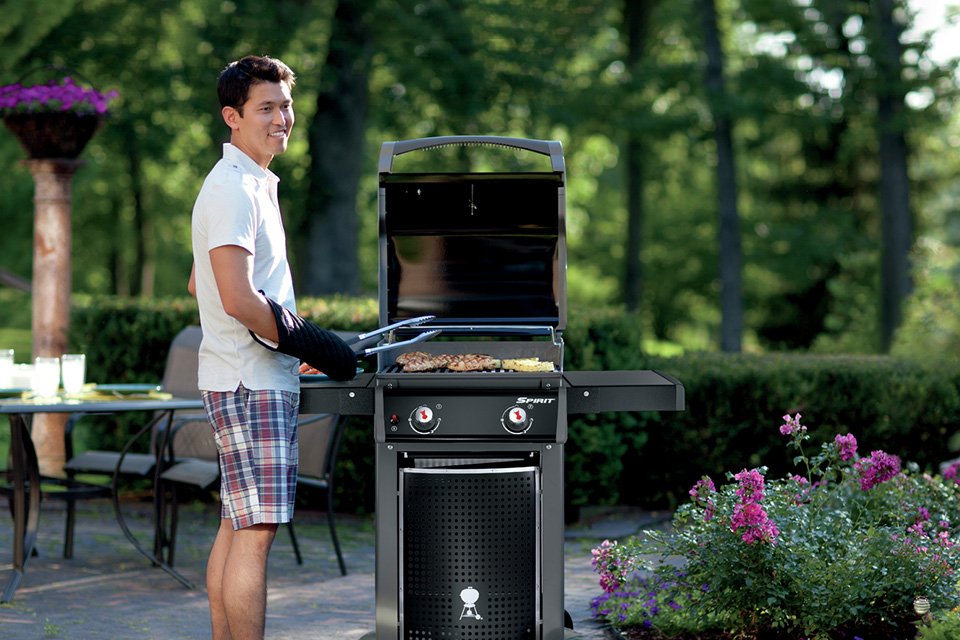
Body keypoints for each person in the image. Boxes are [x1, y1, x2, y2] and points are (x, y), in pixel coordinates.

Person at [189, 54, 354, 640]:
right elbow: (235, 297)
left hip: (242, 371)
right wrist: (301, 336)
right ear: (232, 116)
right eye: (266, 108)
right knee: (255, 535)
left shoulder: (247, 183)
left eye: (285, 105)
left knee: (237, 527)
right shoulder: (235, 189)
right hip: (250, 381)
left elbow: (198, 283)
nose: (282, 118)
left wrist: (285, 340)